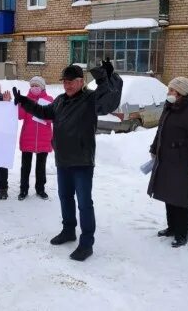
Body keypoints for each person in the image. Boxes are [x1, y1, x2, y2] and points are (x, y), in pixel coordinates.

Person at [13, 60, 122, 261]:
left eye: (72, 81)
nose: (67, 85)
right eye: (65, 81)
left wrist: (103, 77)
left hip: (82, 161)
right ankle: (69, 230)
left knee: (84, 203)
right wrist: (24, 101)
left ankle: (87, 243)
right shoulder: (61, 100)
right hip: (63, 160)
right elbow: (44, 113)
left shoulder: (90, 99)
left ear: (81, 82)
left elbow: (109, 100)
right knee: (65, 198)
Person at [147, 77, 188, 248]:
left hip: (183, 162)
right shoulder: (170, 107)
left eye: (172, 90)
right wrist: (154, 148)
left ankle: (182, 234)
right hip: (167, 159)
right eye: (169, 90)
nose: (169, 93)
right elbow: (160, 131)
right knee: (169, 194)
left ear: (181, 92)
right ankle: (172, 227)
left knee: (181, 198)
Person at [17, 76, 54, 200]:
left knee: (41, 167)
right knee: (25, 166)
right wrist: (19, 104)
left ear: (42, 87)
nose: (34, 88)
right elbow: (20, 116)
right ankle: (23, 189)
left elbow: (51, 117)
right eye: (32, 86)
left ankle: (40, 189)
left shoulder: (49, 100)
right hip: (28, 137)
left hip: (44, 138)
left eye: (37, 85)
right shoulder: (26, 100)